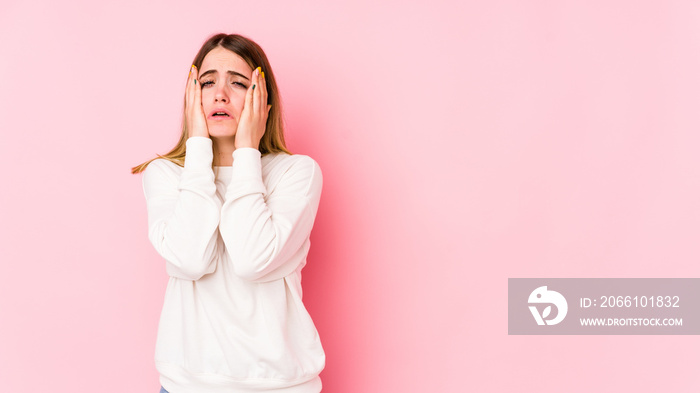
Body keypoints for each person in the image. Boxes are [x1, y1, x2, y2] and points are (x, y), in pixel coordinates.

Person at [131, 33, 326, 393]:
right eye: (207, 83)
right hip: (185, 386)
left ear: (264, 103)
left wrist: (247, 152)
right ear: (192, 98)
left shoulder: (296, 173)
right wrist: (198, 148)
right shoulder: (167, 175)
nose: (220, 94)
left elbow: (252, 260)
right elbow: (190, 259)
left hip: (280, 387)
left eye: (238, 83)